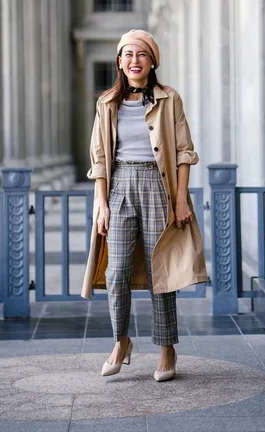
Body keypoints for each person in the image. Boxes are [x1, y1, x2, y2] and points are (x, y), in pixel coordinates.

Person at [81, 29, 207, 381]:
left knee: (161, 273)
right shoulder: (107, 103)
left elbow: (184, 152)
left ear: (153, 61)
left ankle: (167, 349)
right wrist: (101, 204)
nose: (134, 61)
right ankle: (121, 341)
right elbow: (100, 158)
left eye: (142, 54)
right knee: (116, 272)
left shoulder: (170, 99)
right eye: (128, 55)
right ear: (120, 62)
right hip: (120, 187)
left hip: (158, 187)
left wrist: (181, 200)